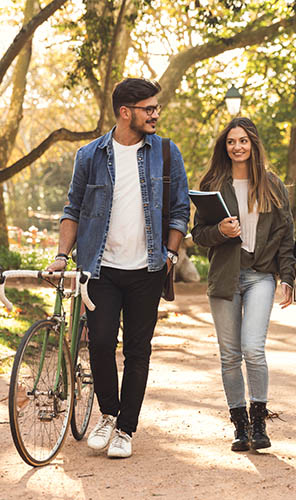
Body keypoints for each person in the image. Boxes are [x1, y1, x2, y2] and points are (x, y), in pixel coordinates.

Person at [47, 78, 190, 458]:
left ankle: (126, 428)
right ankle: (108, 414)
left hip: (147, 270)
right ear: (126, 112)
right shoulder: (90, 155)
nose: (156, 114)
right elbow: (72, 210)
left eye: (156, 108)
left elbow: (179, 210)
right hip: (101, 269)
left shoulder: (165, 152)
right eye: (149, 108)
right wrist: (63, 254)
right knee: (101, 344)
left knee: (138, 351)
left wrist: (170, 256)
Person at [191, 117, 295, 452]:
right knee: (229, 355)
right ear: (225, 146)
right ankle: (240, 425)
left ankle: (260, 421)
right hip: (224, 277)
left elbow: (285, 235)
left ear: (253, 144)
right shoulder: (212, 183)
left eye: (243, 141)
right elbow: (198, 235)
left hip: (260, 275)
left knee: (253, 348)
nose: (237, 147)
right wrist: (220, 232)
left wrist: (288, 278)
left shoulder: (271, 185)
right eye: (231, 141)